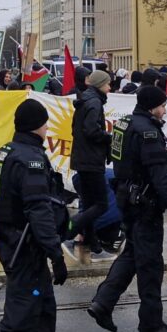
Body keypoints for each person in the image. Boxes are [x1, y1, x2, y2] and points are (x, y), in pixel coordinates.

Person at [0, 100, 76, 332]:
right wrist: (56, 255)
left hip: (14, 243)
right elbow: (39, 211)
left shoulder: (6, 151)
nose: (47, 127)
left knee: (43, 309)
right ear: (38, 125)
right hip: (26, 249)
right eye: (45, 123)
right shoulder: (29, 159)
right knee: (20, 322)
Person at [87, 86, 167, 332]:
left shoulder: (125, 123)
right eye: (162, 105)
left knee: (132, 254)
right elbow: (160, 176)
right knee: (151, 264)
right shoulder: (149, 132)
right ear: (152, 106)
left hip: (127, 199)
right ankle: (151, 324)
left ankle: (103, 302)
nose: (164, 110)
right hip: (145, 205)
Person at [64, 70, 115, 262]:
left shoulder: (85, 100)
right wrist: (108, 137)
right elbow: (91, 130)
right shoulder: (94, 103)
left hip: (82, 159)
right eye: (108, 84)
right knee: (101, 205)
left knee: (89, 206)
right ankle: (68, 233)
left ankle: (95, 248)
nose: (110, 88)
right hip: (91, 160)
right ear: (100, 84)